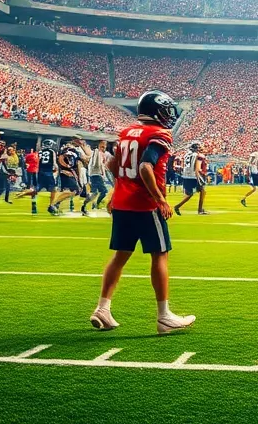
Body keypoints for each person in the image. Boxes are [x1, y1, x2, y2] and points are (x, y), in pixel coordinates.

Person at [90, 90, 195, 335]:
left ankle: (102, 308)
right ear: (157, 111)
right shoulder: (159, 134)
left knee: (120, 256)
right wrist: (160, 199)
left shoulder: (127, 132)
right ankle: (164, 316)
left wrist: (116, 193)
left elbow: (113, 164)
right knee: (160, 255)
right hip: (145, 205)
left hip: (123, 204)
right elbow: (146, 167)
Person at [17, 139, 61, 215]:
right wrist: (57, 169)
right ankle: (51, 205)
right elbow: (54, 163)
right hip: (48, 171)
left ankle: (27, 197)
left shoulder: (39, 152)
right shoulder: (52, 151)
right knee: (53, 189)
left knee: (36, 189)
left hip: (39, 172)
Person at [173, 141, 209, 216]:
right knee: (202, 191)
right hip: (194, 175)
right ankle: (200, 210)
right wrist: (201, 176)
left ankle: (177, 206)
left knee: (189, 194)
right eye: (199, 147)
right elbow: (197, 168)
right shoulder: (199, 155)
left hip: (185, 175)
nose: (201, 148)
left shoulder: (186, 154)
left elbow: (183, 165)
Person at [54, 138, 84, 214]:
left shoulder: (68, 151)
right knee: (75, 191)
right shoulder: (71, 151)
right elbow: (61, 159)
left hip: (68, 172)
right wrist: (66, 166)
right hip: (68, 173)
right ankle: (54, 204)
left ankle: (57, 205)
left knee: (71, 191)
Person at [87, 140, 112, 211]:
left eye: (105, 146)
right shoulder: (96, 152)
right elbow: (97, 164)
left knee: (97, 192)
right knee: (101, 191)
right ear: (99, 145)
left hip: (96, 174)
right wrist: (102, 173)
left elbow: (102, 164)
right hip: (96, 174)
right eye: (102, 146)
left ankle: (93, 204)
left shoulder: (103, 154)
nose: (104, 148)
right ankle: (93, 204)